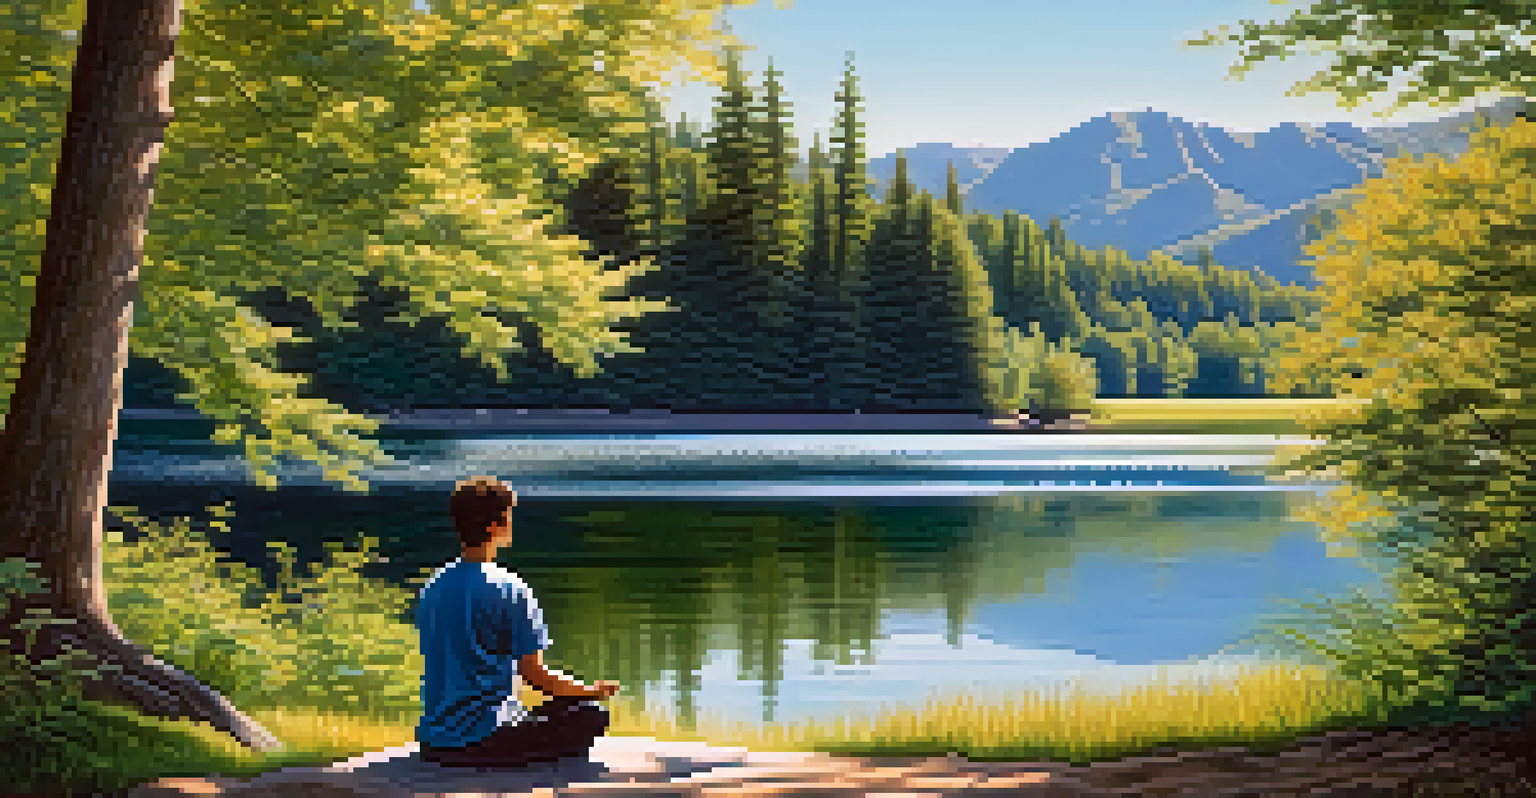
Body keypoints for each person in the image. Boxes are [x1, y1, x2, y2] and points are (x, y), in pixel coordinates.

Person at [416, 475, 621, 767]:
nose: (512, 523)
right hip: (483, 739)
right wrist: (590, 691)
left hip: (434, 741)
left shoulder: (434, 586)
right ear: (495, 526)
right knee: (590, 714)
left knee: (557, 708)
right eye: (509, 516)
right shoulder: (510, 588)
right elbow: (535, 676)